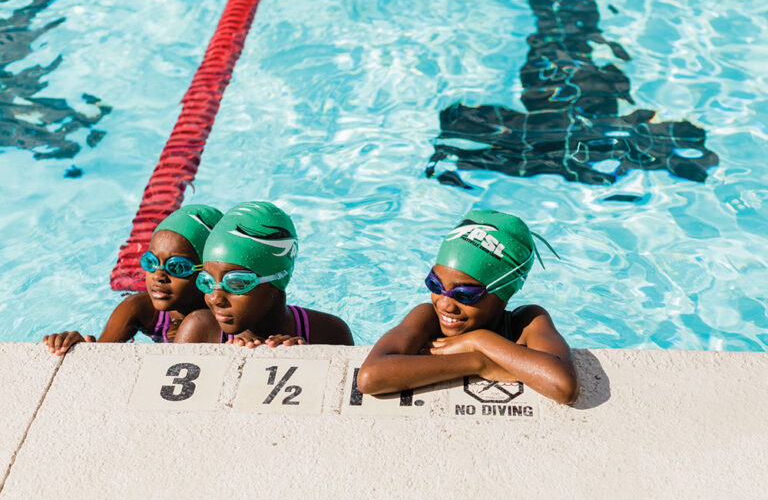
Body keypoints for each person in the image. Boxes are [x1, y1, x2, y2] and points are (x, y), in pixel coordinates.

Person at [357, 210, 578, 404]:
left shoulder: (527, 322)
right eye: (435, 283)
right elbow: (370, 378)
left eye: (464, 294)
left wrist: (479, 340)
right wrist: (478, 363)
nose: (444, 303)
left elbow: (563, 386)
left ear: (504, 293)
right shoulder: (427, 317)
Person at [43, 204, 223, 355]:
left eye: (177, 267)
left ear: (208, 273)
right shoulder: (140, 309)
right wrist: (81, 348)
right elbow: (100, 355)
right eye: (150, 262)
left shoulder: (228, 317)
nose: (159, 276)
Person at [174, 201, 353, 346]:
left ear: (277, 278)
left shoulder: (328, 333)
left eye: (236, 283)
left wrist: (302, 360)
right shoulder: (200, 330)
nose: (214, 298)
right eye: (207, 282)